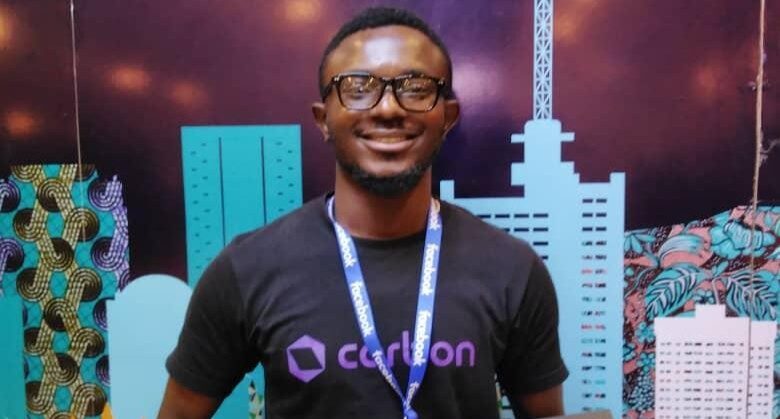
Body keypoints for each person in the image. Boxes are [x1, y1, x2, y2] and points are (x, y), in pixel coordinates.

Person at [159, 6, 567, 419]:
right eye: (357, 88)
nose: (388, 108)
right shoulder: (247, 269)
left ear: (447, 118)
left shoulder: (512, 269)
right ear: (323, 120)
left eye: (416, 88)